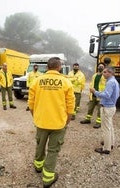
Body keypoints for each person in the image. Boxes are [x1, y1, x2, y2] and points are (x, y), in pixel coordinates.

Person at [28, 57, 75, 188]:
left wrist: (36, 117)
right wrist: (68, 120)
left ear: (47, 67)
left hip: (41, 121)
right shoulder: (66, 82)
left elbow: (31, 103)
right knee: (53, 150)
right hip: (58, 123)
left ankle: (38, 166)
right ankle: (48, 177)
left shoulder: (37, 81)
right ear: (59, 67)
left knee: (40, 144)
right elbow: (70, 104)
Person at [89, 66, 120, 154]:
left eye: (105, 72)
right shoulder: (114, 81)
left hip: (107, 107)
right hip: (111, 106)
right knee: (110, 127)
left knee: (106, 128)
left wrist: (95, 92)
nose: (103, 73)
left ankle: (106, 148)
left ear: (110, 73)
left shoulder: (110, 82)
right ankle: (110, 143)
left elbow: (106, 95)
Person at [80, 63, 106, 128]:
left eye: (102, 66)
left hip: (101, 95)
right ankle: (87, 119)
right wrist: (90, 93)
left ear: (104, 68)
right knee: (90, 108)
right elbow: (92, 84)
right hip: (93, 94)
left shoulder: (105, 76)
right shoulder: (94, 75)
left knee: (100, 110)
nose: (100, 67)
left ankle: (98, 122)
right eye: (99, 66)